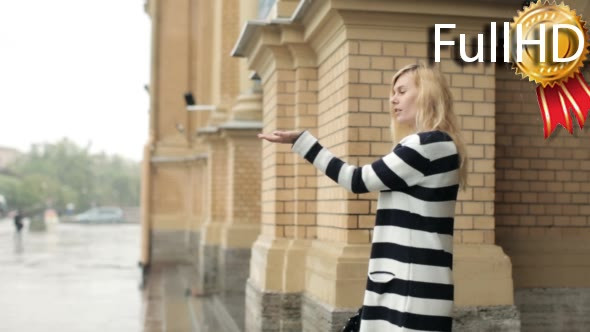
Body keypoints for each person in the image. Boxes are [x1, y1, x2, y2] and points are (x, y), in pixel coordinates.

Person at [257, 63, 468, 332]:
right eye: (393, 92)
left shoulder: (428, 145)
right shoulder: (436, 145)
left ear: (427, 94)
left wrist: (304, 142)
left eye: (402, 91)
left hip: (412, 286)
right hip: (410, 280)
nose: (393, 99)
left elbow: (357, 180)